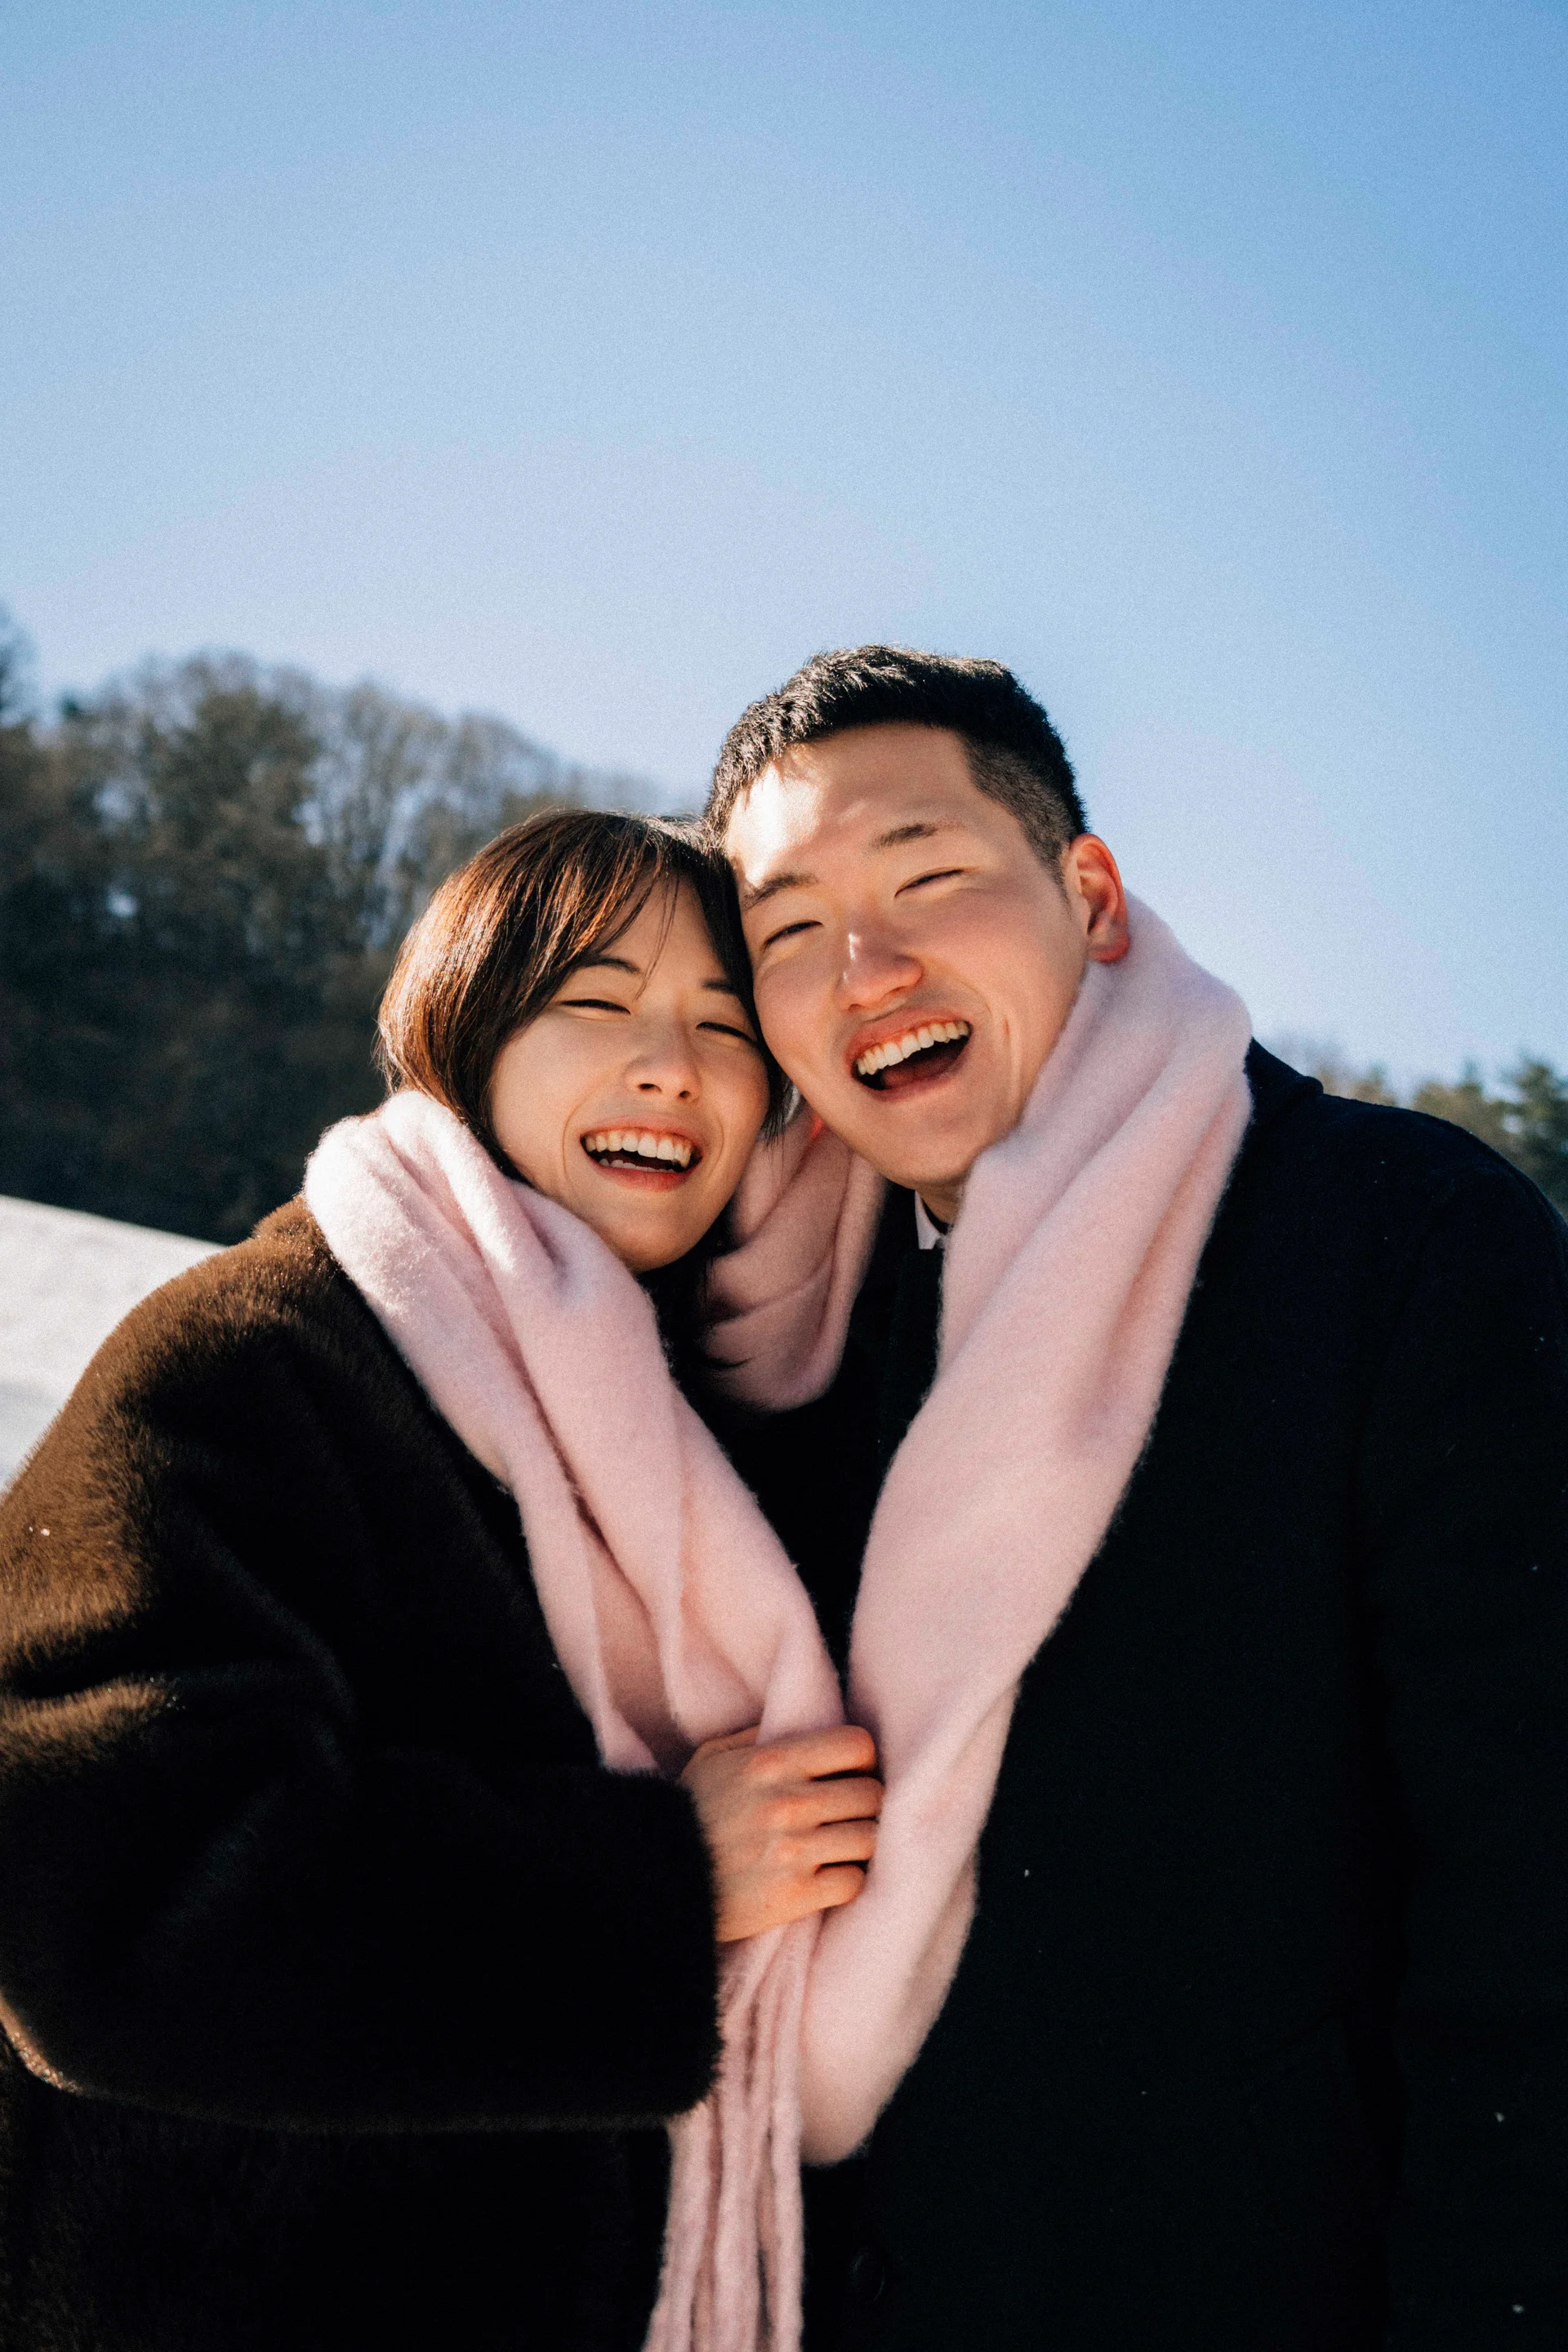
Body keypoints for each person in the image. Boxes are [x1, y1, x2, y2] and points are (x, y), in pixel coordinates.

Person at [702, 646, 1568, 2350]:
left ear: (1090, 898)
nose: (867, 970)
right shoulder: (773, 1335)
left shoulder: (1390, 1238)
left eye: (927, 879)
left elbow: (1531, 1890)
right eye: (791, 929)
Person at [0, 810, 882, 2352]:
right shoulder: (256, 1358)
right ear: (466, 1037)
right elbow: (101, 1908)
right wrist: (656, 1885)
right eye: (597, 1002)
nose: (671, 1066)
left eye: (725, 1028)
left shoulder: (697, 1442)